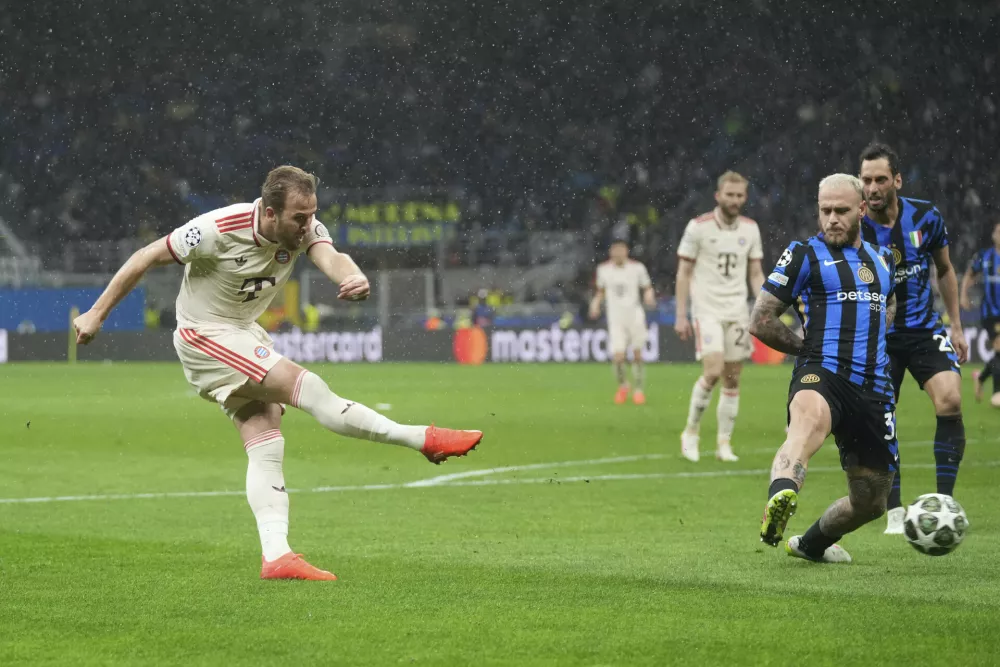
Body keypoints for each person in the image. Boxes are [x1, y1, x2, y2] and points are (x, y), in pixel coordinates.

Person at [73, 166, 483, 581]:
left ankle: (277, 556)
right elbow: (145, 256)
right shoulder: (217, 229)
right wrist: (96, 313)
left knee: (266, 439)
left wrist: (352, 276)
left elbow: (330, 255)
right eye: (299, 218)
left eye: (312, 215)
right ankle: (422, 438)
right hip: (204, 334)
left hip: (241, 331)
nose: (308, 225)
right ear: (270, 213)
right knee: (309, 387)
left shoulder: (304, 228)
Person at [752, 173, 897, 564]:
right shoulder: (804, 254)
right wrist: (806, 350)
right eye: (825, 210)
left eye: (841, 211)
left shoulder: (883, 259)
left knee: (871, 501)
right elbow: (761, 319)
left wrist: (876, 338)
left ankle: (811, 545)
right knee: (806, 426)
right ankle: (781, 496)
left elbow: (889, 305)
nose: (832, 219)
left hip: (873, 388)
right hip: (822, 372)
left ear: (862, 210)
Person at [858, 143, 969, 535]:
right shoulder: (854, 225)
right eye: (866, 180)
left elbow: (946, 269)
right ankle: (893, 509)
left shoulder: (926, 216)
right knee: (880, 417)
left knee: (950, 400)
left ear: (897, 180)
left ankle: (944, 504)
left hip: (923, 330)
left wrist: (956, 326)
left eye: (880, 179)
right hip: (877, 338)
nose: (872, 187)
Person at [674, 171, 765, 462]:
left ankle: (724, 443)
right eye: (730, 194)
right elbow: (684, 273)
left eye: (739, 195)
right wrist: (681, 315)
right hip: (707, 310)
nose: (734, 200)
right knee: (713, 371)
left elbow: (755, 273)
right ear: (718, 196)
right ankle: (691, 432)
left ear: (745, 198)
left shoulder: (750, 229)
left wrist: (765, 307)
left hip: (737, 311)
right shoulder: (698, 227)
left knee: (733, 379)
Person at [588, 239, 656, 404]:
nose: (618, 253)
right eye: (615, 250)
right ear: (611, 252)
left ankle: (638, 390)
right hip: (616, 318)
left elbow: (647, 287)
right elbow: (600, 291)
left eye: (621, 249)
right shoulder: (603, 269)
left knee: (637, 354)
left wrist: (649, 296)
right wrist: (595, 304)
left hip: (635, 316)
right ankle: (624, 385)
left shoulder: (637, 268)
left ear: (626, 251)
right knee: (618, 357)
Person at [961, 220, 1000, 407]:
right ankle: (997, 393)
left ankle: (982, 377)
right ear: (993, 235)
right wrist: (963, 295)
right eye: (998, 231)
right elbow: (970, 274)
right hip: (990, 312)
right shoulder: (985, 256)